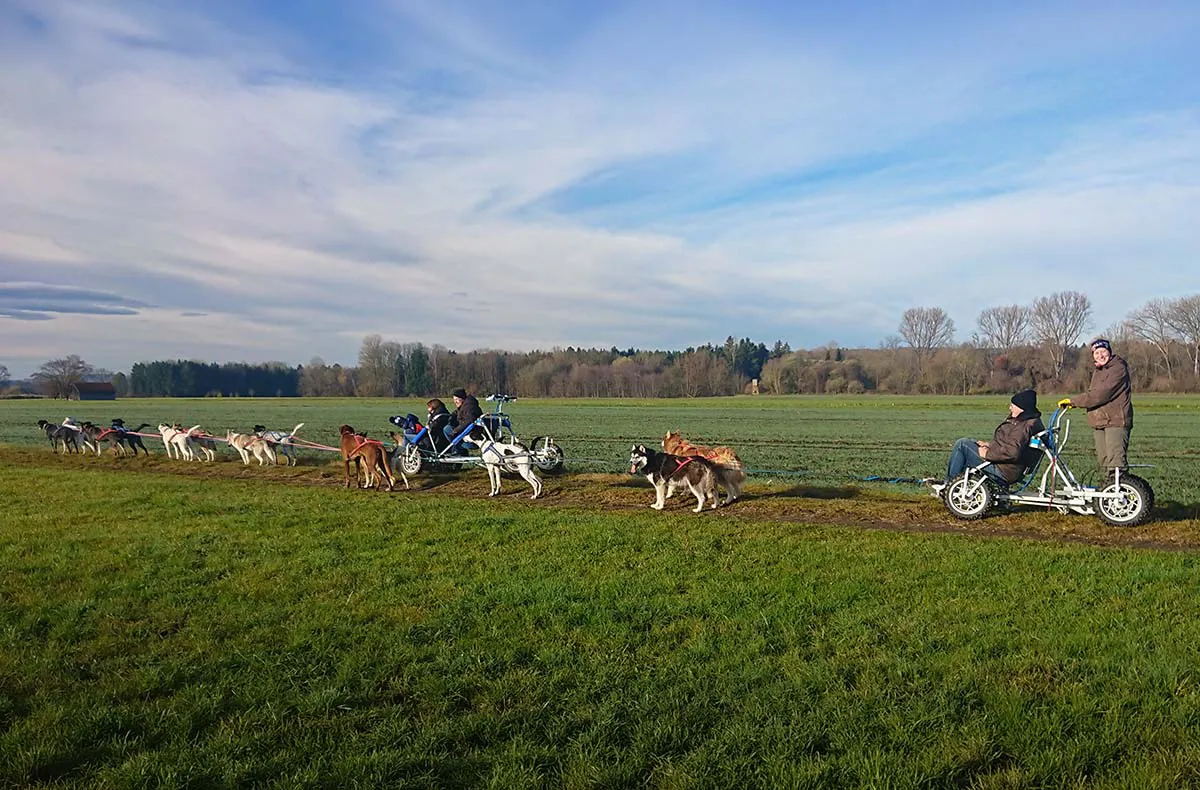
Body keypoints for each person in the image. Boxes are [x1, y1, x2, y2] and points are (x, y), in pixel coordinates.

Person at [1059, 338, 1133, 476]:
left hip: (1115, 421)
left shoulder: (1118, 368)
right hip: (1100, 422)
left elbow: (1100, 395)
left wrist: (1073, 401)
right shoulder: (1098, 371)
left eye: (1103, 351)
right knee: (1104, 463)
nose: (1100, 355)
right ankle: (1107, 493)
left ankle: (1121, 492)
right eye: (1096, 353)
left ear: (1109, 352)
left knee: (1115, 464)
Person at [940, 389, 1045, 485]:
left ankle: (949, 485)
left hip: (1003, 471)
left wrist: (987, 453)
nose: (1010, 408)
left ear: (1022, 408)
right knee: (970, 442)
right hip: (1008, 467)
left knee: (962, 445)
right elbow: (1011, 444)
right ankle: (956, 483)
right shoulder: (1029, 421)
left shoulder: (1023, 427)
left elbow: (1012, 452)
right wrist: (989, 445)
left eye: (1012, 406)